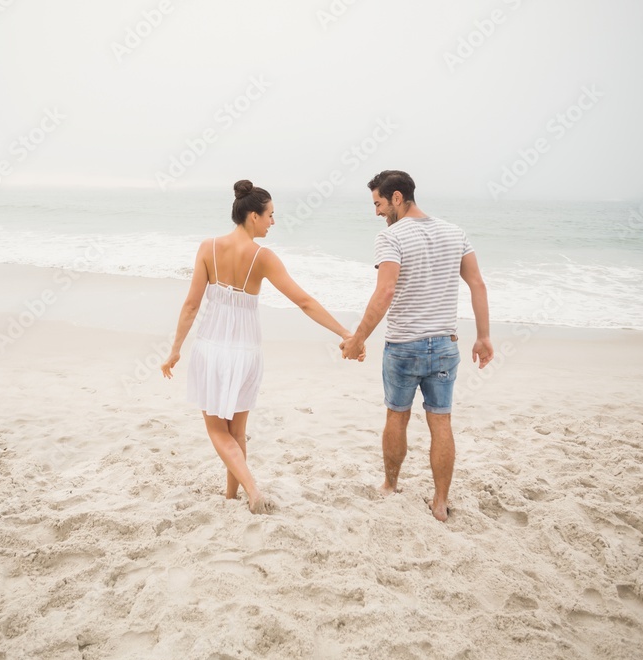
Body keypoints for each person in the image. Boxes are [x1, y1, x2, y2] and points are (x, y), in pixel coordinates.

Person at [161, 180, 359, 514]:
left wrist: (176, 349)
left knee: (216, 430)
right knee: (236, 432)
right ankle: (230, 497)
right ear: (253, 216)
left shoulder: (208, 248)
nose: (273, 222)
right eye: (270, 215)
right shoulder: (263, 257)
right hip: (246, 352)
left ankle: (250, 491)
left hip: (211, 349)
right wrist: (345, 333)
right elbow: (304, 302)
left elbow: (191, 305)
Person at [340, 170, 493, 522]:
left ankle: (391, 486)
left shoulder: (391, 237)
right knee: (441, 422)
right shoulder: (455, 233)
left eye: (378, 203)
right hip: (444, 345)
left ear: (396, 198)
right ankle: (440, 503)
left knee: (397, 415)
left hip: (404, 347)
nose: (377, 212)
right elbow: (478, 285)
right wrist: (484, 337)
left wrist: (358, 339)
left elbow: (386, 291)